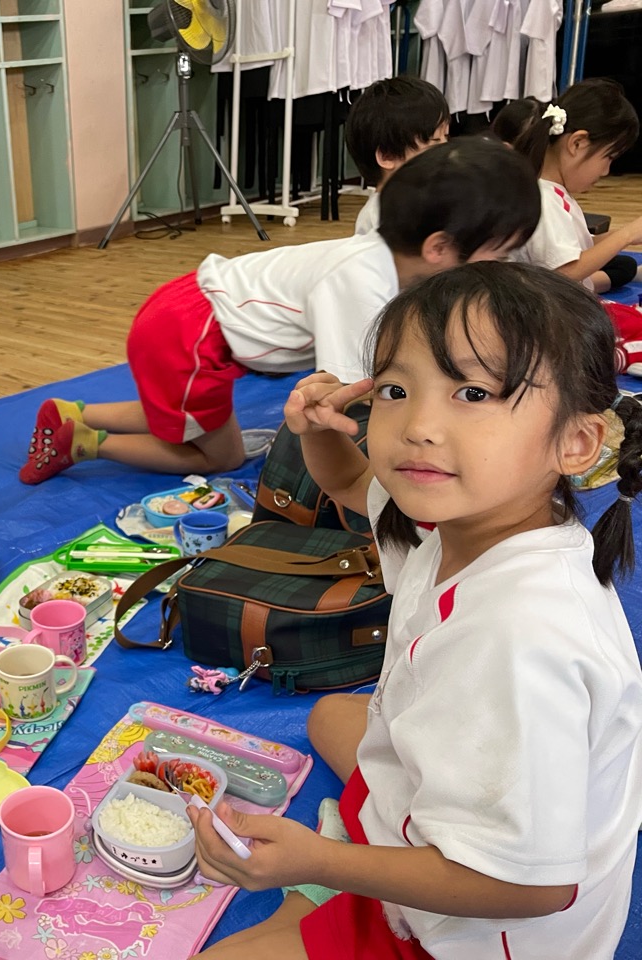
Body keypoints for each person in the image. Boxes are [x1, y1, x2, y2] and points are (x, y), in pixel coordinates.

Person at [187, 262, 642, 959]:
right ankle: (350, 875)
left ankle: (349, 890)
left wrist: (320, 863)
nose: (419, 426)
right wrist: (317, 429)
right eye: (396, 390)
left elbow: (536, 890)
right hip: (441, 816)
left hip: (474, 928)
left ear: (574, 443)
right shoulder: (460, 518)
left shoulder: (524, 636)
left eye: (473, 392)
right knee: (330, 715)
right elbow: (350, 482)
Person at [20, 137, 540, 483]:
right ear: (439, 247)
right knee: (220, 455)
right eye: (500, 252)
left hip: (192, 315)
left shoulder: (387, 253)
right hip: (189, 332)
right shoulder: (362, 280)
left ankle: (73, 412)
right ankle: (86, 442)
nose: (504, 265)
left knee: (184, 414)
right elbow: (348, 393)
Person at [511, 78, 642, 295]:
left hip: (557, 301)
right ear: (577, 143)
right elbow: (566, 272)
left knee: (622, 264)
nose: (606, 171)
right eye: (608, 157)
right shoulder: (543, 199)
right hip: (546, 307)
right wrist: (626, 235)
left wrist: (630, 235)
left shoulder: (550, 192)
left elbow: (579, 246)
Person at [345, 76, 450, 237]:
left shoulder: (424, 200)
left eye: (447, 137)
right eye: (435, 141)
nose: (447, 149)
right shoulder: (382, 218)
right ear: (388, 156)